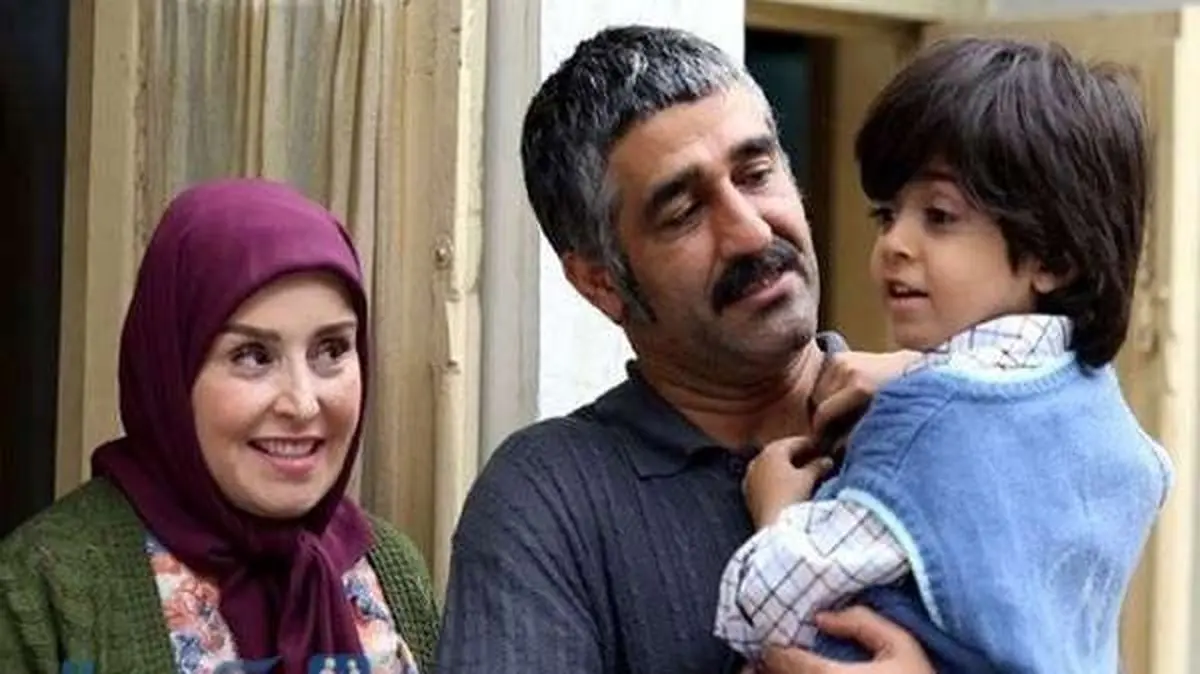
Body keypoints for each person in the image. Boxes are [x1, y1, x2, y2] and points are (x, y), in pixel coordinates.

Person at [436, 25, 932, 674]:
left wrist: (946, 399)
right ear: (601, 281)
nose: (751, 233)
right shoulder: (550, 498)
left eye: (756, 174)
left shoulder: (931, 415)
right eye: (683, 213)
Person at [713, 37, 1174, 673]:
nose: (895, 244)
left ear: (1054, 257)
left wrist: (776, 507)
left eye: (940, 216)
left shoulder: (930, 420)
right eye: (887, 214)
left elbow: (767, 603)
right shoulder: (1105, 419)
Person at [0, 179, 438, 674]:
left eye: (332, 349)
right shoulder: (44, 590)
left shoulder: (390, 570)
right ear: (171, 372)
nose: (302, 403)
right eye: (252, 355)